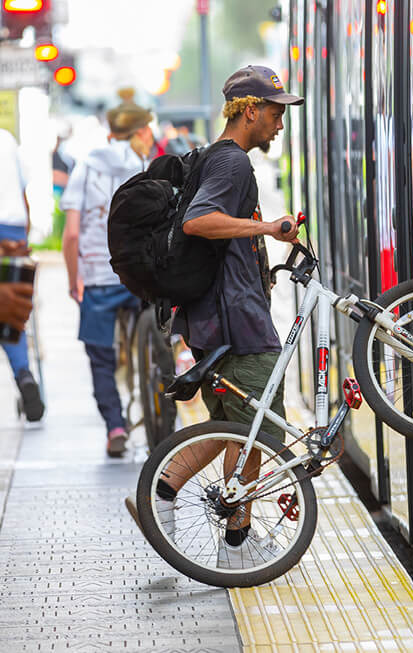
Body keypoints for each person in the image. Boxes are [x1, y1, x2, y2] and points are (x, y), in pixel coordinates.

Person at [125, 65, 303, 568]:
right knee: (258, 431)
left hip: (213, 315)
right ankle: (236, 545)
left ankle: (158, 502)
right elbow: (199, 220)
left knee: (226, 425)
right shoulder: (232, 165)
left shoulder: (212, 157)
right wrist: (267, 227)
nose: (279, 124)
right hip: (236, 319)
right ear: (249, 111)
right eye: (273, 112)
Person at [61, 90, 154, 456]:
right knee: (155, 335)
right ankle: (158, 401)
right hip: (138, 277)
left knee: (101, 357)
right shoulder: (143, 168)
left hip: (98, 278)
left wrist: (74, 280)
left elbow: (71, 233)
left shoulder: (85, 167)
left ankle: (115, 425)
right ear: (138, 132)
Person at [0, 128, 45, 421]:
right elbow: (22, 191)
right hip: (13, 228)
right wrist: (23, 237)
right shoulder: (6, 138)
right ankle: (24, 374)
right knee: (11, 314)